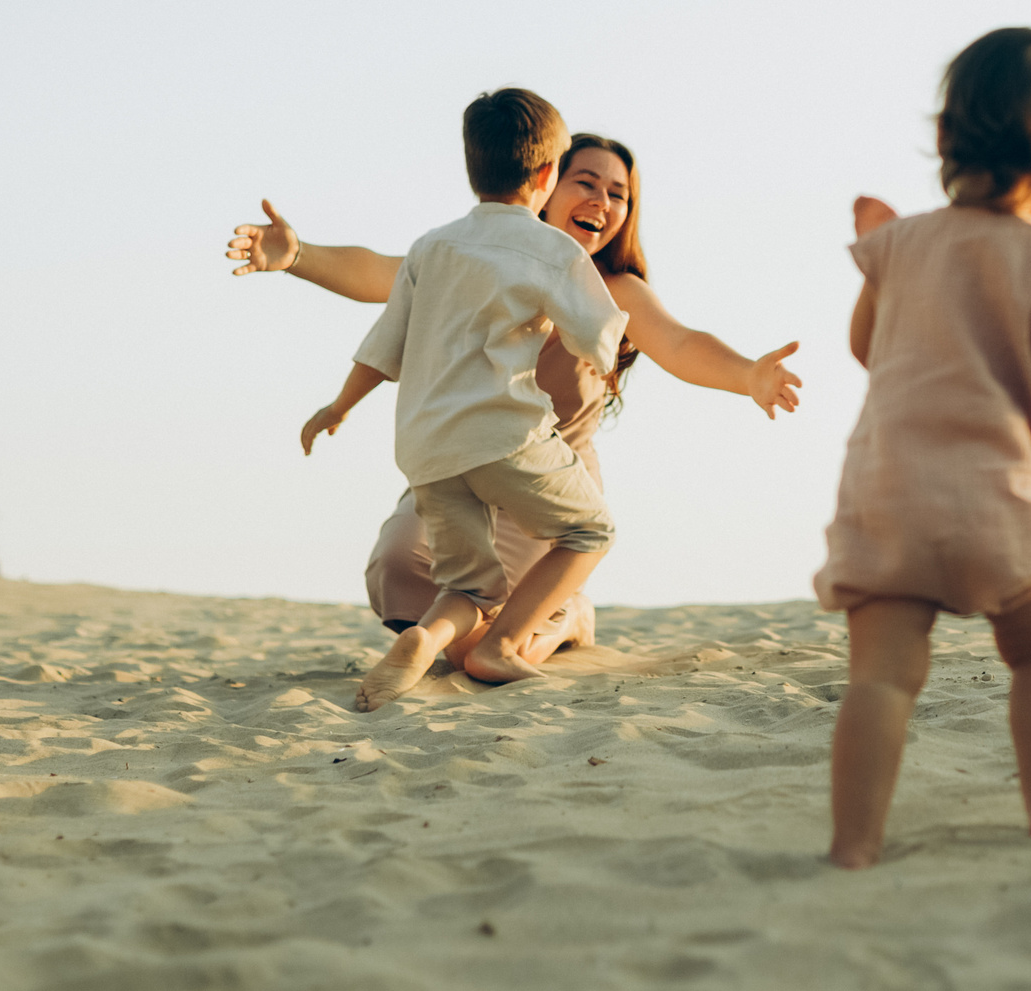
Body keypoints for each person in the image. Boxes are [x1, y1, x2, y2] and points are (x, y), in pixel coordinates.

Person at [231, 130, 802, 672]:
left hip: (544, 487)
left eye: (618, 193)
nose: (601, 200)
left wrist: (748, 374)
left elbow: (679, 343)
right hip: (460, 465)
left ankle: (565, 617)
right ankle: (498, 632)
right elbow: (384, 272)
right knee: (398, 569)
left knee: (482, 634)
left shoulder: (614, 289)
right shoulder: (476, 260)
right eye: (586, 182)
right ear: (545, 181)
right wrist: (298, 253)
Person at [817, 27, 1031, 869]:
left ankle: (855, 839)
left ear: (946, 136)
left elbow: (864, 347)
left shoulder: (897, 245)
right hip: (994, 500)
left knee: (881, 678)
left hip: (889, 496)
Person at [300, 87, 628, 709]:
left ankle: (425, 638)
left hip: (427, 450)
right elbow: (599, 332)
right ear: (545, 174)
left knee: (467, 585)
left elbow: (383, 344)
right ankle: (500, 645)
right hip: (506, 439)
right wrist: (602, 356)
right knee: (591, 530)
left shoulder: (432, 247)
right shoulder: (553, 250)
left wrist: (338, 407)